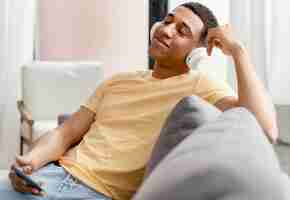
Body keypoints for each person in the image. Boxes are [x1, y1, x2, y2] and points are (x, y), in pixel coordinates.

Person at [1, 2, 278, 200]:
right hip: (48, 176)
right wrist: (30, 162)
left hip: (94, 193)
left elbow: (265, 130)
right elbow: (66, 132)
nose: (167, 30)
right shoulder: (118, 81)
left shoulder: (200, 85)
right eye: (168, 21)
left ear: (199, 52)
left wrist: (238, 52)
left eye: (183, 31)